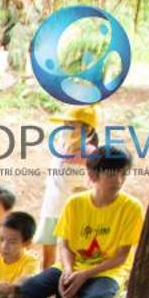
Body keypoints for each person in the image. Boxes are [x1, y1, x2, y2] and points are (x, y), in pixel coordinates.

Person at [15, 148, 143, 298]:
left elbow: (121, 257)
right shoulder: (75, 203)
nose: (118, 181)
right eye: (111, 174)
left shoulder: (131, 208)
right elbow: (64, 244)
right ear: (93, 175)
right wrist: (67, 270)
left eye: (123, 174)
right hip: (72, 266)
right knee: (29, 289)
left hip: (107, 272)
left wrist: (84, 275)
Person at [35, 105, 97, 271]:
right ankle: (44, 292)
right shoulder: (59, 147)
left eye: (71, 125)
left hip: (73, 213)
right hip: (51, 208)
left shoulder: (90, 153)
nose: (66, 129)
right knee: (47, 255)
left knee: (69, 256)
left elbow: (94, 185)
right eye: (65, 124)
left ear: (87, 129)